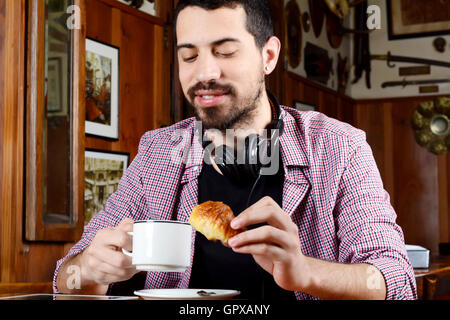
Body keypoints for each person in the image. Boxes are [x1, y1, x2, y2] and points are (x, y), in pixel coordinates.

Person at [54, 0, 417, 300]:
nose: (205, 73)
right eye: (189, 56)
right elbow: (66, 279)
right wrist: (89, 269)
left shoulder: (338, 147)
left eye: (225, 51)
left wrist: (306, 272)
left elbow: (397, 282)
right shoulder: (158, 152)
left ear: (269, 56)